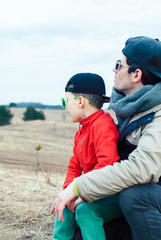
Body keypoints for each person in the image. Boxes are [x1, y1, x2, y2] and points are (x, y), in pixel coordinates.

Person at [51, 36, 161, 240]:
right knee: (80, 231)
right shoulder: (130, 108)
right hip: (139, 208)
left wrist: (79, 186)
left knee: (135, 195)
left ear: (136, 74)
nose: (114, 71)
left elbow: (141, 169)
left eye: (119, 65)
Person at [51, 72, 123, 240]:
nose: (65, 107)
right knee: (65, 203)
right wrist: (69, 190)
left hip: (111, 193)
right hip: (90, 189)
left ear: (81, 102)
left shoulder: (104, 126)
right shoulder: (82, 129)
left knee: (85, 211)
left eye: (65, 101)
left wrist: (82, 193)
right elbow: (74, 164)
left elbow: (107, 165)